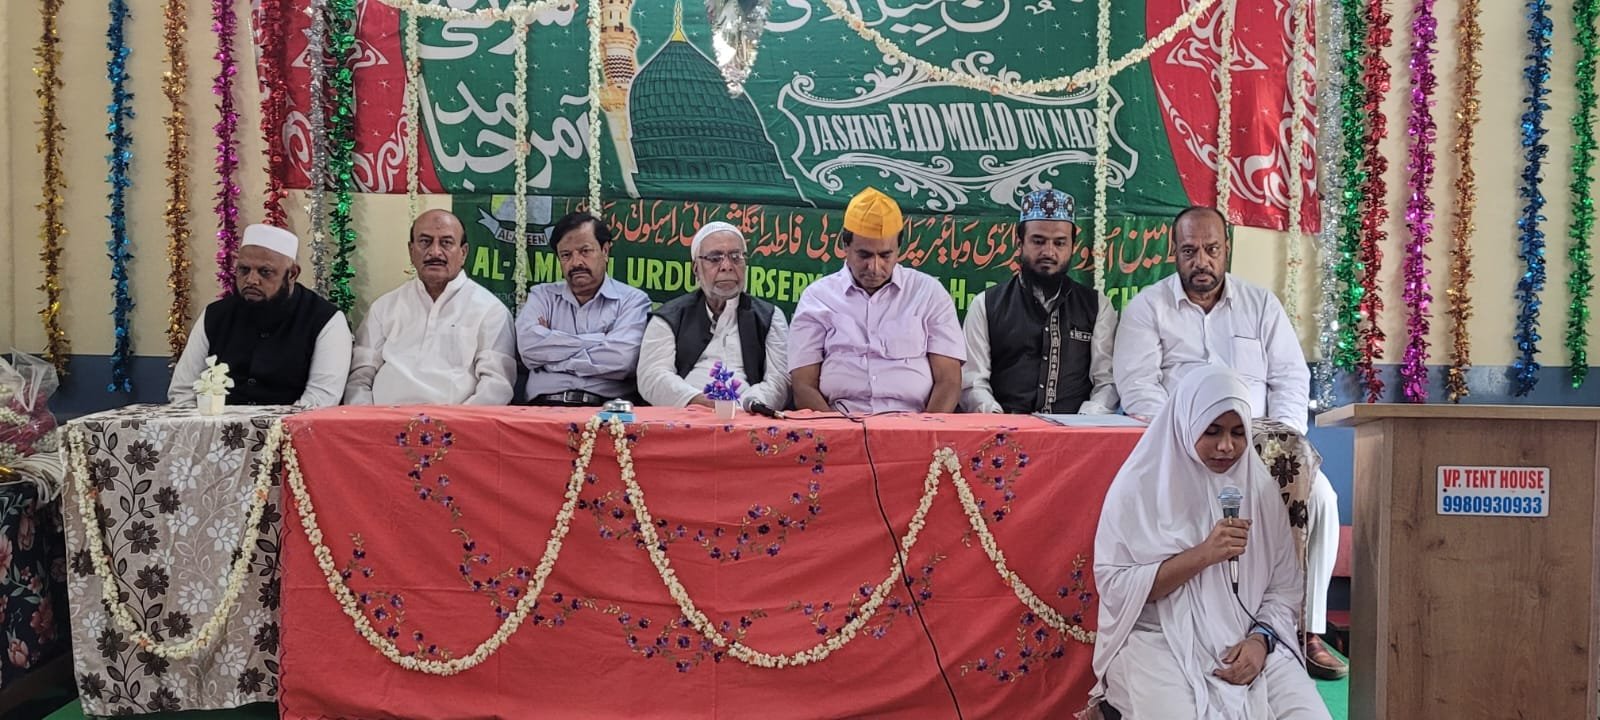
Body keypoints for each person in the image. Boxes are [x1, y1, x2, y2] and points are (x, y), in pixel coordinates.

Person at [1112, 206, 1346, 680]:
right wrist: (1191, 438)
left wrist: (1276, 442)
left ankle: (1307, 629)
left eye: (1211, 249)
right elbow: (1138, 390)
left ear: (1227, 250)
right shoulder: (1147, 309)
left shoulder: (1261, 306)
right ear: (1173, 252)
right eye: (1189, 251)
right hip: (1186, 450)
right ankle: (1196, 628)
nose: (1201, 261)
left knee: (1321, 497)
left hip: (1260, 446)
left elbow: (1290, 380)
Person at [1090, 365, 1331, 719]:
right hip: (1159, 640)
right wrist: (1202, 555)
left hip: (1246, 638)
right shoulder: (1139, 489)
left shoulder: (1259, 489)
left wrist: (1260, 641)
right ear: (1186, 425)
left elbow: (1283, 589)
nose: (1226, 446)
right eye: (1212, 431)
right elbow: (1115, 586)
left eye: (1238, 432)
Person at [788, 187, 964, 414]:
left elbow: (949, 381)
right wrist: (837, 431)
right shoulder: (817, 298)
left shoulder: (929, 294)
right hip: (839, 423)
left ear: (899, 249)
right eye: (864, 255)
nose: (874, 267)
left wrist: (926, 431)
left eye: (885, 255)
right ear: (845, 246)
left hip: (912, 425)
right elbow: (803, 386)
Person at [962, 188, 1118, 414]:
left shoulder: (1097, 307)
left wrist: (1083, 422)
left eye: (1059, 243)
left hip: (1077, 429)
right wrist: (998, 421)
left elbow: (1107, 383)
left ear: (1073, 246)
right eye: (1038, 241)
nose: (1049, 252)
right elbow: (972, 383)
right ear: (1020, 243)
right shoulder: (985, 305)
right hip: (1003, 429)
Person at [169, 224, 352, 408]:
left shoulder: (325, 320)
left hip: (290, 425)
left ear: (292, 274)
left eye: (265, 272)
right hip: (214, 424)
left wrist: (272, 427)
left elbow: (320, 401)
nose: (251, 280)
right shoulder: (215, 315)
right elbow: (183, 392)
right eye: (244, 270)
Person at [344, 209, 516, 405]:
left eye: (446, 243)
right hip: (383, 419)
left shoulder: (490, 310)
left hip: (455, 422)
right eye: (425, 241)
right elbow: (359, 377)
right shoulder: (384, 307)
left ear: (463, 252)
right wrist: (368, 418)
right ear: (411, 251)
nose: (435, 252)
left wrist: (454, 422)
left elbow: (497, 386)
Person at [636, 222, 790, 410]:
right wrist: (697, 401)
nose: (727, 266)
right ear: (696, 269)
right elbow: (652, 375)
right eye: (715, 258)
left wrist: (742, 407)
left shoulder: (770, 317)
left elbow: (779, 381)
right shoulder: (669, 317)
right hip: (686, 414)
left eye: (736, 257)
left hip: (749, 417)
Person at [515, 211, 651, 406]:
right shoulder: (543, 296)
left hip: (607, 411)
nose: (576, 262)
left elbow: (622, 360)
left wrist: (551, 356)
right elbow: (529, 348)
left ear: (605, 251)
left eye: (585, 251)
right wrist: (600, 339)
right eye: (566, 255)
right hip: (543, 407)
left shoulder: (632, 301)